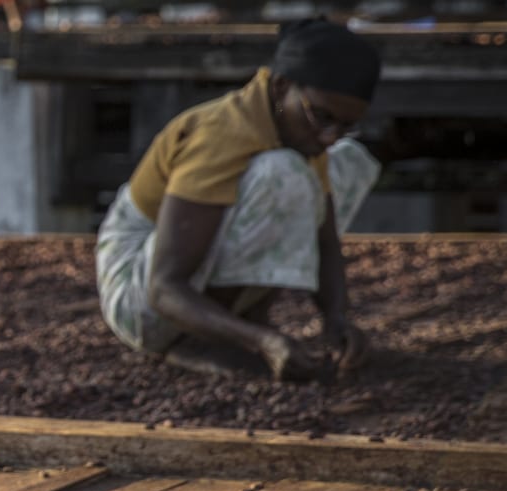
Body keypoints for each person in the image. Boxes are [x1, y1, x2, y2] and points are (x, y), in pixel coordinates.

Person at [95, 18, 382, 382]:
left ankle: (237, 325)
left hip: (173, 288)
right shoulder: (220, 133)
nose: (329, 136)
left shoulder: (300, 132)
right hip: (139, 298)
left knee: (348, 162)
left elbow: (325, 242)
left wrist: (337, 320)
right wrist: (262, 341)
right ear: (280, 88)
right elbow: (164, 289)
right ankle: (199, 340)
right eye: (323, 117)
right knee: (283, 175)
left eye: (345, 125)